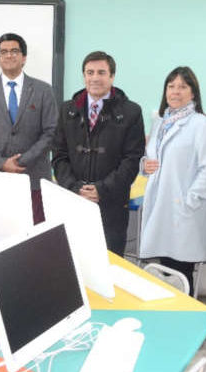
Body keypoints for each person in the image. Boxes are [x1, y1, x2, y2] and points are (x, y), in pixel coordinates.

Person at [139, 66, 206, 297]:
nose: (175, 92)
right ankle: (170, 322)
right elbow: (153, 159)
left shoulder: (200, 125)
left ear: (193, 93)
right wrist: (144, 165)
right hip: (163, 207)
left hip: (185, 212)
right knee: (166, 269)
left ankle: (186, 324)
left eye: (183, 87)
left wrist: (189, 201)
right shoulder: (161, 123)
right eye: (171, 86)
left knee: (181, 274)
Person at [53, 51, 145, 255]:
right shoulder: (67, 110)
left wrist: (101, 189)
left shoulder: (131, 112)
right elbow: (59, 155)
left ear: (112, 76)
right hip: (74, 201)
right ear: (84, 75)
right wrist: (75, 187)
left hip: (111, 204)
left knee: (109, 265)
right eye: (90, 72)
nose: (95, 78)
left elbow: (132, 160)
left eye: (101, 72)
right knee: (75, 262)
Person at [0, 33, 58, 224]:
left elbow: (51, 132)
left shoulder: (43, 90)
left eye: (14, 51)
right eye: (4, 52)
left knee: (36, 236)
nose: (9, 56)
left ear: (24, 57)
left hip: (34, 177)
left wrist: (22, 161)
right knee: (0, 231)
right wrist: (2, 163)